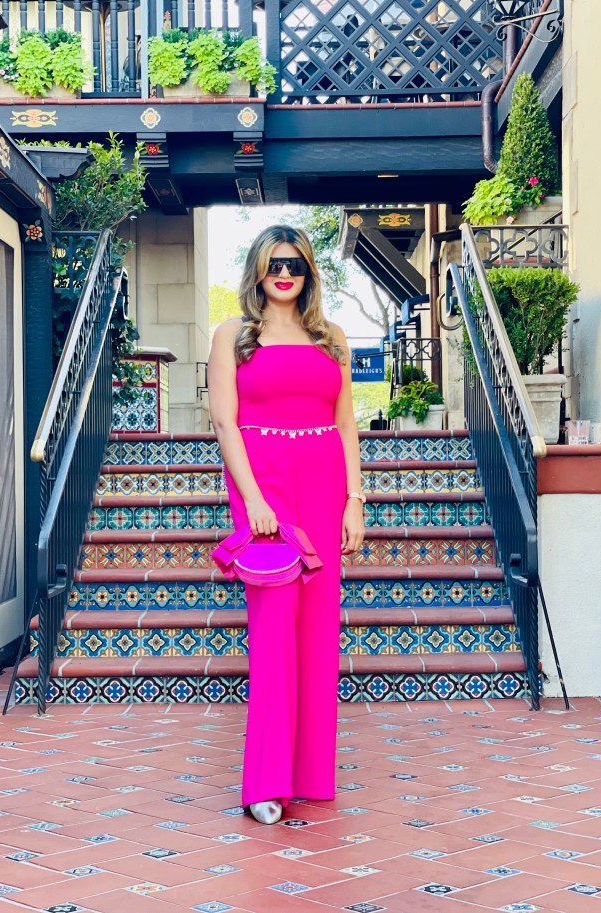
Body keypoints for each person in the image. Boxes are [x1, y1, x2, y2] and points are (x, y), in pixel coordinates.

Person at [207, 225, 365, 825]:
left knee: (318, 630)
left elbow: (346, 424)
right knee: (273, 630)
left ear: (308, 274)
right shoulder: (233, 335)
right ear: (257, 269)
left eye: (295, 264)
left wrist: (355, 500)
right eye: (274, 263)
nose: (284, 273)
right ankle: (265, 782)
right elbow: (225, 423)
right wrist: (252, 499)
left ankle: (310, 775)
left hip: (324, 482)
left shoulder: (332, 337)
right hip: (264, 483)